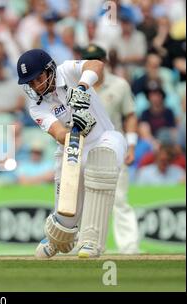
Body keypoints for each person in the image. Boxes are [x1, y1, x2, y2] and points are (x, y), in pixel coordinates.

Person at [16, 49, 126, 258]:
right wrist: (77, 129)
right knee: (65, 224)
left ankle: (91, 241)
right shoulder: (35, 106)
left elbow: (97, 65)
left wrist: (83, 88)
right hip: (73, 149)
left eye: (38, 78)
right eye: (30, 83)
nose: (36, 86)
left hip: (106, 139)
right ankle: (58, 238)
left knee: (101, 163)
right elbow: (58, 133)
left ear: (50, 70)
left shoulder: (67, 71)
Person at [80, 44, 140, 254]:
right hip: (85, 150)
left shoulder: (120, 85)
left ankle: (130, 248)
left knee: (119, 199)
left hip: (115, 149)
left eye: (96, 59)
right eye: (87, 59)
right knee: (84, 200)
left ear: (103, 62)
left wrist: (131, 145)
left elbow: (130, 116)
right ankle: (84, 245)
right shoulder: (77, 86)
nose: (92, 63)